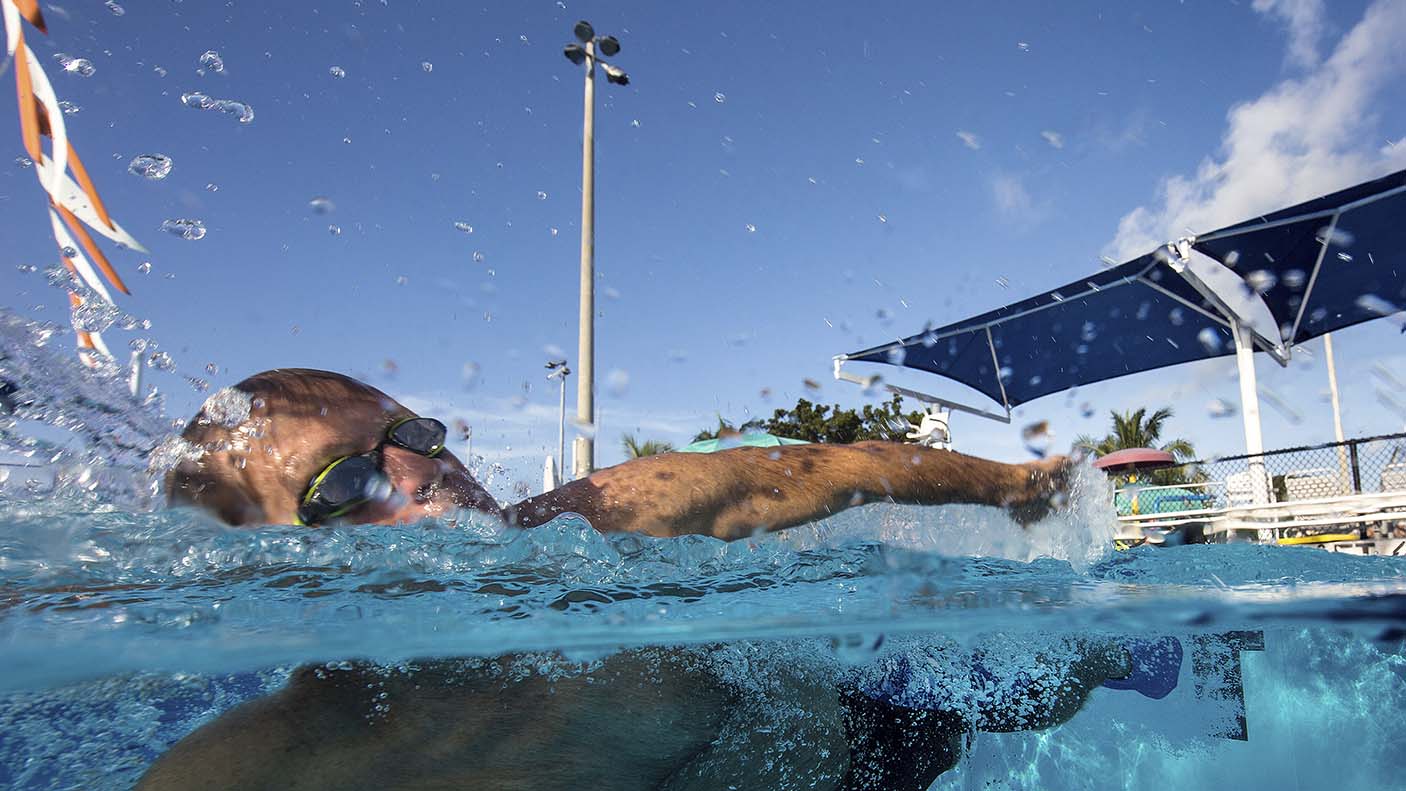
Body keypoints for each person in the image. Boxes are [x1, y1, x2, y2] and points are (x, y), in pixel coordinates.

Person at [164, 368, 1074, 538]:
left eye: (411, 435)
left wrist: (1019, 484)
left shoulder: (597, 516)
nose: (422, 471)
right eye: (348, 479)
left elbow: (825, 467)